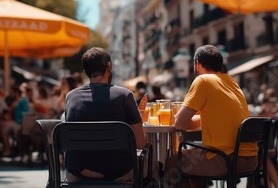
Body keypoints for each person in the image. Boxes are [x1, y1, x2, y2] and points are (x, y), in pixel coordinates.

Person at [164, 45, 257, 188]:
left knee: (173, 162)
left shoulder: (203, 80)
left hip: (226, 160)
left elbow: (180, 124)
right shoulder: (232, 82)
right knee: (194, 156)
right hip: (251, 160)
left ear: (197, 64)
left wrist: (180, 119)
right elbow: (213, 117)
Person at [64, 47, 148, 183]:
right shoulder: (124, 95)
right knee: (155, 166)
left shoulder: (71, 97)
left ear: (86, 72)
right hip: (117, 174)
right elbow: (140, 143)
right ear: (109, 67)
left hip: (77, 173)